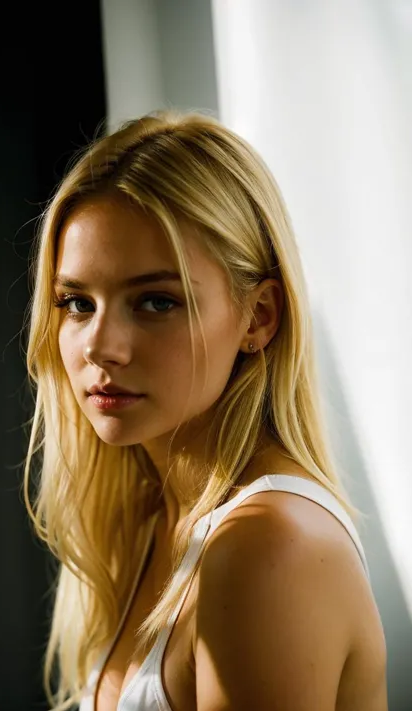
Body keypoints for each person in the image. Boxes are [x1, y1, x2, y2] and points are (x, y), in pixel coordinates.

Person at [22, 109, 388, 711]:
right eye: (77, 302)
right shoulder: (151, 519)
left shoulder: (268, 547)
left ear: (258, 317)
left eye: (156, 301)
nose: (99, 346)